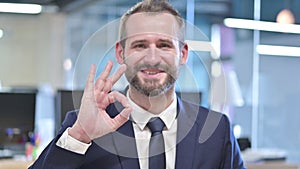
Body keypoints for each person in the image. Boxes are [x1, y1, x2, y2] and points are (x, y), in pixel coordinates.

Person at [29, 0, 246, 168]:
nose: (152, 58)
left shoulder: (217, 130)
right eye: (140, 45)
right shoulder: (83, 125)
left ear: (183, 54)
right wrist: (79, 136)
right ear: (121, 53)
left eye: (164, 45)